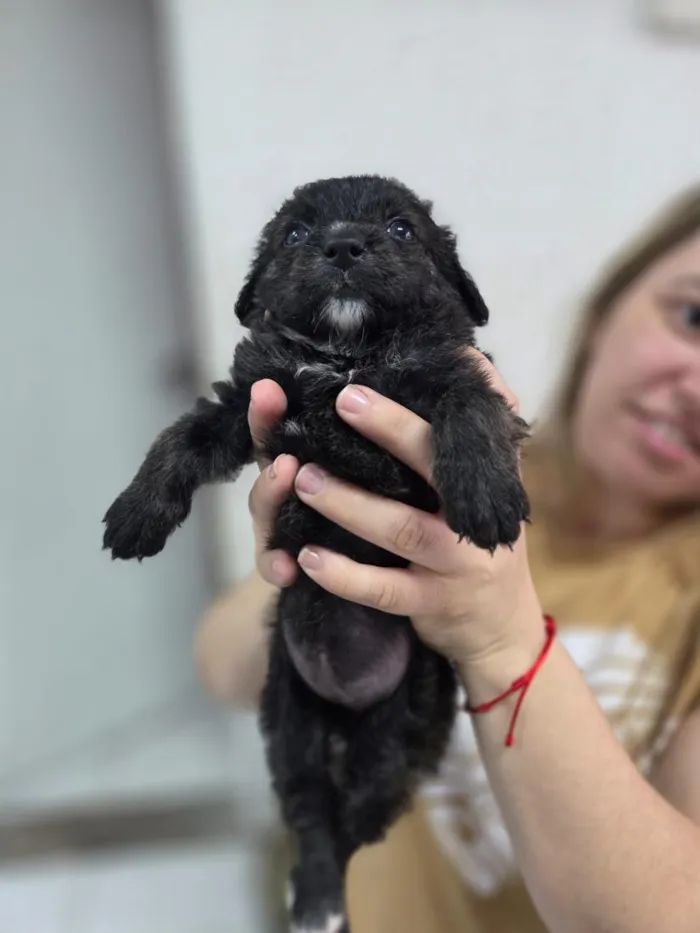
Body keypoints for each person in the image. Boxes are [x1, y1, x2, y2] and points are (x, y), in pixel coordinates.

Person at [196, 182, 700, 933]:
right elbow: (223, 667)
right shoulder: (435, 462)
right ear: (606, 308)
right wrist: (304, 556)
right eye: (692, 318)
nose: (696, 389)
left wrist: (500, 640)